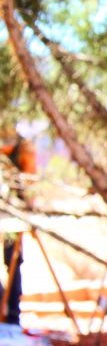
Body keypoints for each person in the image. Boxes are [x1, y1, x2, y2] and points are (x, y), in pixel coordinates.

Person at [1, 130, 36, 325]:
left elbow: (30, 181)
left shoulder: (23, 148)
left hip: (13, 217)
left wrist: (28, 211)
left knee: (13, 262)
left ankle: (13, 314)